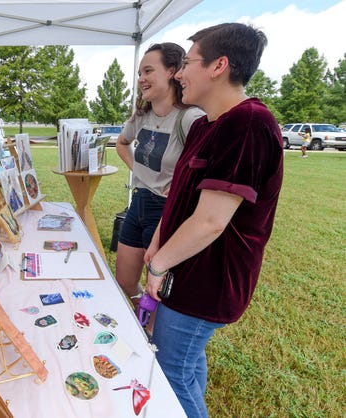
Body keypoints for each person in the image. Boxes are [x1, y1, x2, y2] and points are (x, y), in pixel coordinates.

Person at [143, 23, 283, 418]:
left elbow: (210, 221)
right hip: (182, 270)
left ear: (219, 65)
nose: (179, 73)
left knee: (173, 369)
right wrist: (157, 242)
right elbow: (180, 200)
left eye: (187, 63)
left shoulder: (249, 123)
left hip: (208, 280)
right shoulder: (205, 125)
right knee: (187, 363)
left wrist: (158, 264)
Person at [114, 43, 204, 308]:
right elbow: (121, 143)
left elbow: (206, 168)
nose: (141, 78)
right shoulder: (141, 115)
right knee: (125, 279)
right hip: (139, 202)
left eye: (149, 70)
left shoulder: (190, 118)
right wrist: (140, 172)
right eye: (140, 72)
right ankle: (144, 316)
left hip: (167, 210)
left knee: (161, 291)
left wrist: (179, 188)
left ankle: (151, 330)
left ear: (172, 72)